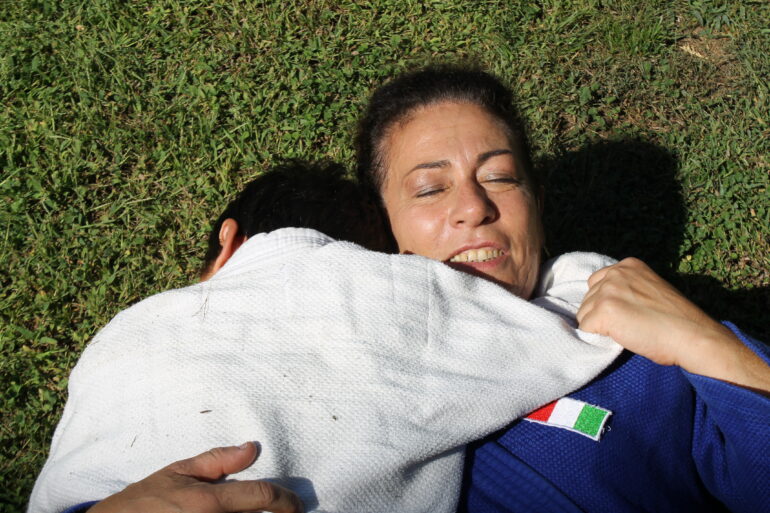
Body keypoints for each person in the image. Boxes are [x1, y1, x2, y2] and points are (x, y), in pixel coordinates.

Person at [31, 161, 622, 513]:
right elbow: (568, 325)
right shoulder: (399, 294)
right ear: (381, 256)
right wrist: (574, 271)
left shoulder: (126, 331)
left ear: (227, 242)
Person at [353, 66, 770, 512]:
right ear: (383, 231)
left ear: (537, 206)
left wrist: (701, 339)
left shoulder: (635, 359)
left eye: (499, 177)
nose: (473, 208)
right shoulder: (336, 383)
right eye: (430, 188)